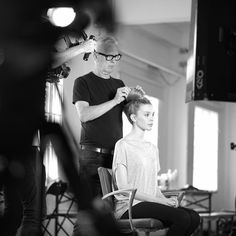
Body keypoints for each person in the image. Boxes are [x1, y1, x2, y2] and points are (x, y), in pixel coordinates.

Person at [112, 88, 200, 236]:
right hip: (129, 206)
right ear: (133, 118)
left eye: (153, 114)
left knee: (194, 217)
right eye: (147, 115)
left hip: (149, 203)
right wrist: (161, 202)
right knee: (182, 218)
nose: (152, 118)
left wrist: (165, 199)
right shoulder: (123, 145)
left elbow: (153, 187)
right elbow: (124, 187)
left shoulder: (152, 148)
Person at [72, 35, 131, 198]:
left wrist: (137, 100)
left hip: (115, 155)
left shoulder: (119, 85)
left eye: (116, 57)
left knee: (111, 208)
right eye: (109, 57)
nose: (113, 62)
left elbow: (130, 114)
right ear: (96, 56)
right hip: (91, 155)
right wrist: (114, 101)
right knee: (90, 210)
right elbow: (84, 115)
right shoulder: (83, 82)